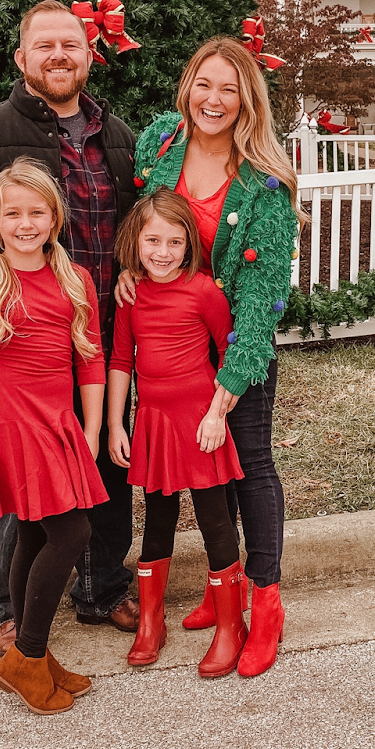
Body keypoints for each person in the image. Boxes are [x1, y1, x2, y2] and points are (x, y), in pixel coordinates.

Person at [0, 0, 140, 653]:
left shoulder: (117, 138)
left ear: (89, 55)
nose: (59, 55)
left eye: (70, 44)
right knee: (26, 493)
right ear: (22, 59)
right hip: (19, 350)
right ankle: (12, 609)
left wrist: (136, 278)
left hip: (94, 342)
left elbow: (136, 235)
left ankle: (101, 588)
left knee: (102, 471)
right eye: (44, 46)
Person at [123, 37, 300, 677]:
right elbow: (137, 225)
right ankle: (215, 588)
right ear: (187, 86)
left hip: (233, 348)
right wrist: (126, 275)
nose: (213, 100)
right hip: (172, 347)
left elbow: (261, 297)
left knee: (247, 464)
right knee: (202, 471)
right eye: (204, 83)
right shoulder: (160, 145)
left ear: (247, 100)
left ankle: (266, 601)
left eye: (229, 88)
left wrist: (226, 391)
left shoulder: (265, 187)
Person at [0, 160, 106, 716]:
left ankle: (28, 657)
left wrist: (90, 429)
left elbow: (90, 360)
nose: (25, 223)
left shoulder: (74, 279)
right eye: (13, 213)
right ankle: (28, 655)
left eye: (36, 212)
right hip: (11, 427)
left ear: (54, 217)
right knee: (71, 532)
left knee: (40, 537)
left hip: (59, 424)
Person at [107, 189, 247, 679]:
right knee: (158, 519)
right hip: (154, 424)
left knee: (214, 519)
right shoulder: (130, 295)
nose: (162, 252)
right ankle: (151, 621)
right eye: (152, 240)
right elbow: (121, 360)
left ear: (189, 244)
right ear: (135, 241)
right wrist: (114, 424)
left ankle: (232, 626)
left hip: (201, 421)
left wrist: (217, 414)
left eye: (174, 241)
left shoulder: (204, 291)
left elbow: (231, 353)